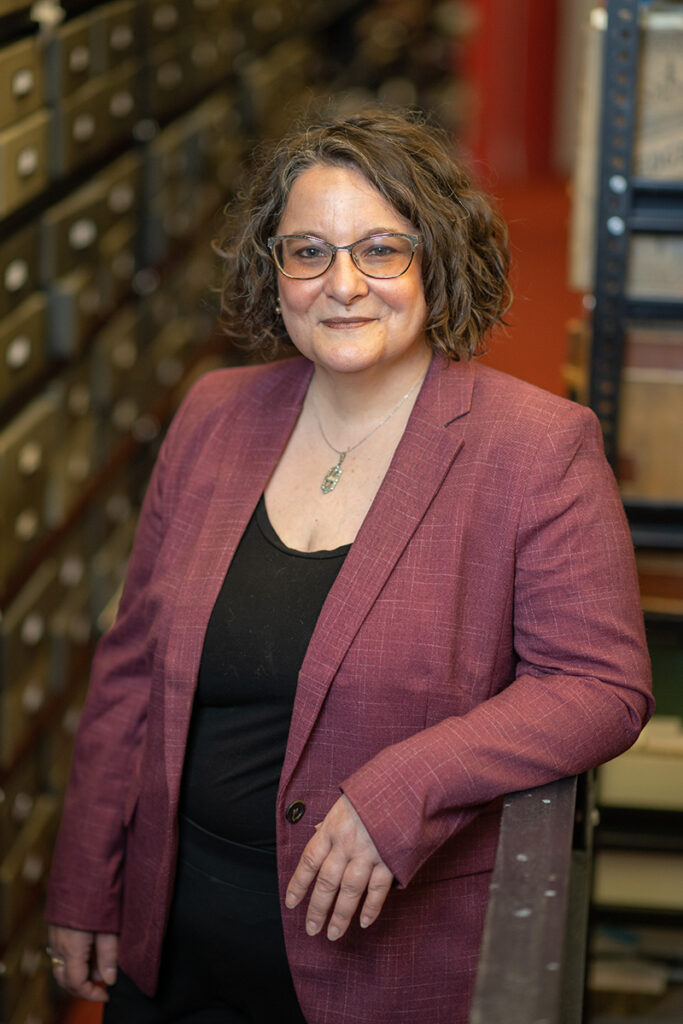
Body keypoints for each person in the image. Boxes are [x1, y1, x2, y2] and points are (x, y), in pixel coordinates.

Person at [45, 108, 653, 1024]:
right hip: (176, 947)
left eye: (380, 250)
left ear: (436, 260)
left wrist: (403, 786)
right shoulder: (214, 414)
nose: (343, 286)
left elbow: (600, 684)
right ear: (273, 270)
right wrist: (88, 878)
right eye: (308, 253)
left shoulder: (536, 450)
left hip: (379, 968)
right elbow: (131, 666)